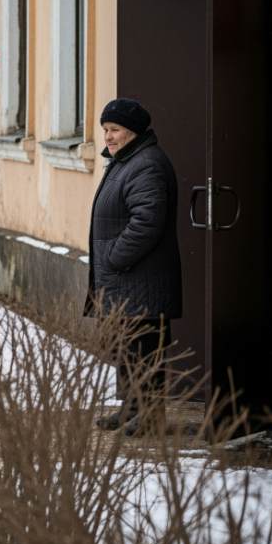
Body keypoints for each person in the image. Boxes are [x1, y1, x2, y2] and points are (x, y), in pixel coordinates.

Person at [85, 98, 182, 437]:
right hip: (126, 280)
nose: (108, 136)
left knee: (144, 349)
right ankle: (131, 408)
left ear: (134, 132)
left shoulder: (146, 164)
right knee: (126, 348)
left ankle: (149, 416)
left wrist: (113, 257)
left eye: (115, 129)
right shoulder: (126, 161)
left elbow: (147, 222)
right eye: (106, 130)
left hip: (140, 279)